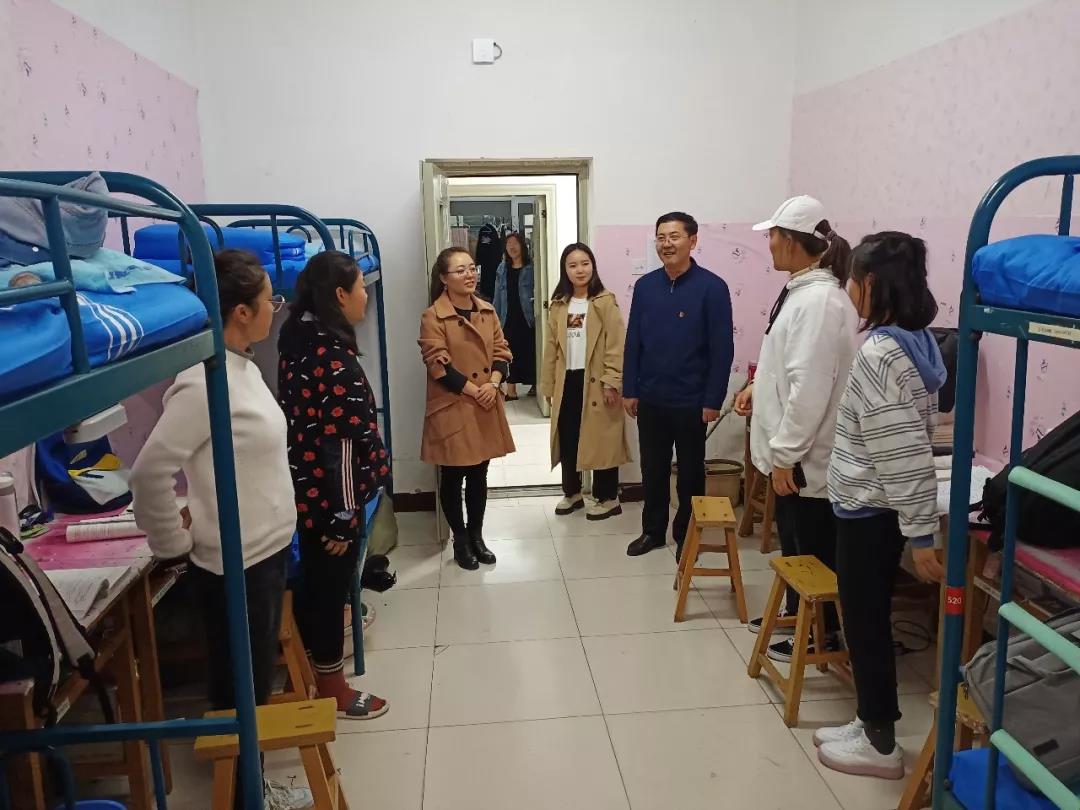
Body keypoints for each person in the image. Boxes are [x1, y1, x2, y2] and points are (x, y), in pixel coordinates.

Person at [131, 250, 312, 810]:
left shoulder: (242, 368)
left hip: (265, 552)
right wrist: (174, 543)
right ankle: (243, 798)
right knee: (240, 693)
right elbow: (149, 472)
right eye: (269, 300)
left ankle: (251, 789)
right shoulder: (203, 383)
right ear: (241, 312)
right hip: (237, 566)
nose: (277, 307)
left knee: (252, 688)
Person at [816, 232, 946, 780]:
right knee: (867, 618)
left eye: (850, 279)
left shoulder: (879, 354)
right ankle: (870, 717)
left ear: (868, 283)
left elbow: (902, 450)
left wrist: (922, 535)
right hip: (877, 507)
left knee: (866, 623)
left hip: (870, 510)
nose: (847, 289)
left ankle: (880, 744)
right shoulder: (917, 341)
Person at [734, 196, 857, 663]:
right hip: (792, 454)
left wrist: (786, 455)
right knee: (794, 546)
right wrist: (756, 386)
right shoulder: (801, 292)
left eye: (772, 235)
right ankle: (795, 616)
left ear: (791, 240)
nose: (768, 243)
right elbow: (784, 361)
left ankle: (820, 635)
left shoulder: (820, 302)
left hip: (806, 459)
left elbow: (810, 388)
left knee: (811, 550)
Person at [277, 251, 390, 721]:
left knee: (318, 587)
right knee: (327, 592)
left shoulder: (297, 341)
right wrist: (343, 517)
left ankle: (312, 672)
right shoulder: (333, 358)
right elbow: (340, 445)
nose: (365, 295)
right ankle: (332, 689)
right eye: (361, 287)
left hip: (307, 490)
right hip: (331, 500)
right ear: (341, 295)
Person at [623, 212, 734, 558]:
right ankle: (652, 531)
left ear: (693, 241)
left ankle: (688, 534)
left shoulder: (712, 287)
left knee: (690, 473)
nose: (666, 244)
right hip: (651, 397)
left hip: (692, 401)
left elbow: (722, 349)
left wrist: (713, 398)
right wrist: (630, 388)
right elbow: (633, 340)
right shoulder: (646, 286)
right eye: (661, 237)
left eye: (674, 236)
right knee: (652, 469)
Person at [419, 247, 515, 570]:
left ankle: (477, 536)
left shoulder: (487, 310)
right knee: (453, 475)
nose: (469, 274)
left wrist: (494, 384)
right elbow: (438, 365)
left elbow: (502, 350)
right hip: (454, 403)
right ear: (444, 278)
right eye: (460, 270)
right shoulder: (433, 316)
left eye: (472, 268)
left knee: (479, 474)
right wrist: (477, 390)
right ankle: (460, 539)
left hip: (485, 401)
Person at [539, 243, 630, 521]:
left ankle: (608, 497)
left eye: (585, 263)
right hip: (567, 380)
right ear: (565, 270)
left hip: (597, 380)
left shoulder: (604, 301)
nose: (580, 270)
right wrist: (548, 385)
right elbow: (551, 348)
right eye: (573, 265)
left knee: (602, 438)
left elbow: (616, 345)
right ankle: (572, 493)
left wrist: (611, 381)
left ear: (593, 266)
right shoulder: (559, 305)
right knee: (568, 437)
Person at [493, 232, 535, 400]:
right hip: (507, 315)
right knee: (510, 351)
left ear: (522, 246)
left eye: (515, 243)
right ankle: (511, 391)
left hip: (527, 316)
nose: (512, 246)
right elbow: (497, 294)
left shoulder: (531, 268)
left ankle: (534, 384)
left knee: (530, 350)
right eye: (508, 243)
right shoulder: (502, 268)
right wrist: (494, 316)